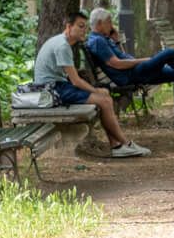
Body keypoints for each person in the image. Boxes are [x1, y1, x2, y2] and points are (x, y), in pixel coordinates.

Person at [34, 11, 148, 158]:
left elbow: (72, 79)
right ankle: (126, 143)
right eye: (80, 26)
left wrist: (97, 91)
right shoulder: (62, 46)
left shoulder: (62, 42)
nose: (84, 30)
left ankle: (117, 146)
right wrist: (95, 91)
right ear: (69, 27)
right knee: (104, 99)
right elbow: (75, 81)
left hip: (58, 87)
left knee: (105, 95)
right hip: (51, 91)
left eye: (86, 27)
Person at [85, 7, 174, 126]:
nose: (111, 25)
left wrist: (117, 41)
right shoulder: (98, 41)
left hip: (134, 71)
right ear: (100, 24)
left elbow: (122, 56)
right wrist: (143, 60)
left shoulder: (104, 39)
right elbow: (117, 64)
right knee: (169, 53)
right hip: (131, 75)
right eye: (109, 22)